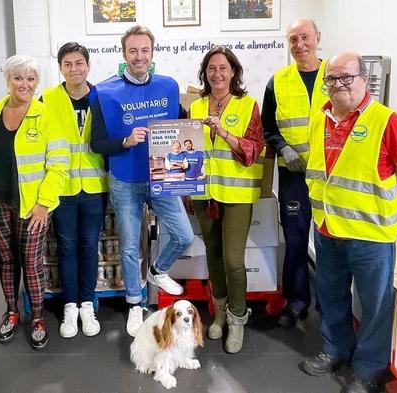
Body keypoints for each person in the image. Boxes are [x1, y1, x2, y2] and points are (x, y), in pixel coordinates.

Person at [301, 52, 397, 393]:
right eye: (332, 79)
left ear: (363, 79)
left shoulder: (386, 120)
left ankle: (368, 369)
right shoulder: (320, 119)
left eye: (346, 78)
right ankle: (334, 348)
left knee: (375, 305)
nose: (338, 85)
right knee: (332, 295)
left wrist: (378, 199)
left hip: (371, 234)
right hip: (327, 228)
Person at [90, 25, 194, 337]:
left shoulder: (168, 86)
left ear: (152, 53)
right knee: (130, 245)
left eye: (144, 50)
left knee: (184, 235)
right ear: (124, 54)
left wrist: (198, 126)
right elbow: (97, 144)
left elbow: (181, 121)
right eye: (133, 51)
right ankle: (135, 304)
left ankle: (158, 270)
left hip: (162, 176)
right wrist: (124, 141)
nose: (139, 56)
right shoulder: (105, 92)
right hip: (125, 180)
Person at [0, 55, 70, 350]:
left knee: (32, 265)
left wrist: (44, 203)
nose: (25, 84)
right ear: (7, 80)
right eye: (18, 78)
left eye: (31, 79)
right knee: (7, 262)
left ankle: (37, 317)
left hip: (33, 208)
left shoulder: (46, 116)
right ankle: (11, 312)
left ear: (37, 83)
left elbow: (59, 164)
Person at [189, 46, 265, 353]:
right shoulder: (195, 107)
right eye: (211, 69)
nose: (217, 74)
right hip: (204, 193)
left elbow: (253, 149)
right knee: (214, 254)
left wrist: (224, 132)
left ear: (233, 72)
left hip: (235, 194)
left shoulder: (247, 105)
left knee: (234, 260)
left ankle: (237, 318)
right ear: (205, 74)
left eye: (223, 68)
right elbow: (188, 151)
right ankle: (218, 312)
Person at [261, 18, 329, 327]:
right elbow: (268, 127)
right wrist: (285, 150)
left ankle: (330, 310)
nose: (299, 45)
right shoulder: (278, 82)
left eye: (305, 37)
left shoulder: (337, 76)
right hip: (293, 175)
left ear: (317, 37)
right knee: (296, 240)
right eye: (293, 40)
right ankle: (297, 302)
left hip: (332, 177)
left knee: (331, 243)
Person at [41, 42, 107, 339]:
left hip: (94, 186)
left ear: (88, 66)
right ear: (61, 68)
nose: (74, 69)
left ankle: (87, 304)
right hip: (62, 188)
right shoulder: (48, 99)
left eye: (79, 63)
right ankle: (70, 305)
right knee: (66, 247)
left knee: (89, 246)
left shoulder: (102, 97)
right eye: (68, 64)